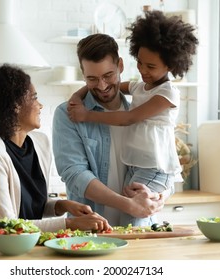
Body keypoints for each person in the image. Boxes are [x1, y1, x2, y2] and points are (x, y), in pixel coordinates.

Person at [67, 11, 199, 226]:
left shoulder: (167, 94)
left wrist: (86, 115)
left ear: (171, 65)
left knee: (134, 218)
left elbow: (129, 118)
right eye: (140, 63)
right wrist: (77, 95)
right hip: (139, 167)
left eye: (151, 67)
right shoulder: (140, 87)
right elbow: (113, 85)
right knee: (132, 215)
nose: (143, 71)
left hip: (155, 168)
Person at [0, 64, 110, 241]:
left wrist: (62, 205)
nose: (40, 105)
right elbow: (7, 226)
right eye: (34, 98)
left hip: (30, 247)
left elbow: (30, 208)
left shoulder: (40, 143)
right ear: (15, 105)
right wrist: (69, 224)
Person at [52, 33, 166, 227]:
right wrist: (129, 205)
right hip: (90, 233)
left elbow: (162, 164)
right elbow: (74, 174)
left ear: (120, 66)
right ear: (83, 74)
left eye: (108, 75)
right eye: (92, 79)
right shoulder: (68, 114)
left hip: (140, 229)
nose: (102, 86)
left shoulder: (141, 112)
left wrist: (161, 195)